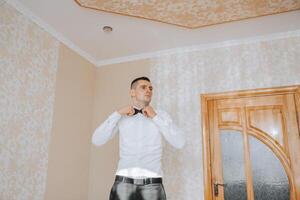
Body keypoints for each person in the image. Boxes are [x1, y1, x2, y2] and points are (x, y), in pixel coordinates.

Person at [92, 76, 185, 200]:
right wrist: (117, 114)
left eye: (151, 88)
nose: (149, 90)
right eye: (143, 87)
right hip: (123, 183)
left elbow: (180, 142)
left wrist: (155, 117)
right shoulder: (121, 117)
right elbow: (97, 140)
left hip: (153, 184)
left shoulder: (161, 116)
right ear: (132, 92)